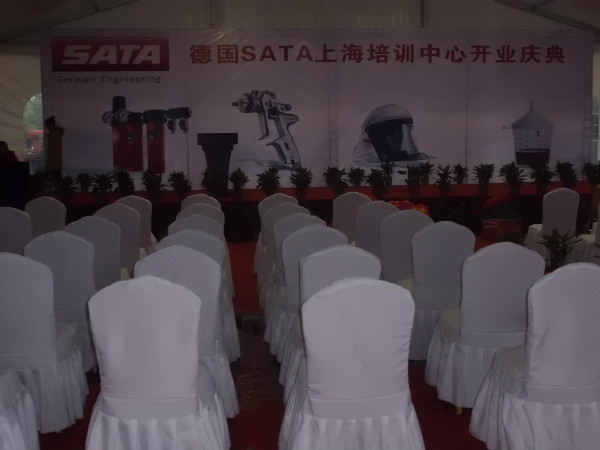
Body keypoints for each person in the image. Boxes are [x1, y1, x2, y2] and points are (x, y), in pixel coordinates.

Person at [353, 104, 434, 165]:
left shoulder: (409, 156)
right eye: (395, 133)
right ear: (380, 136)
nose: (400, 136)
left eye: (402, 131)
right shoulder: (368, 158)